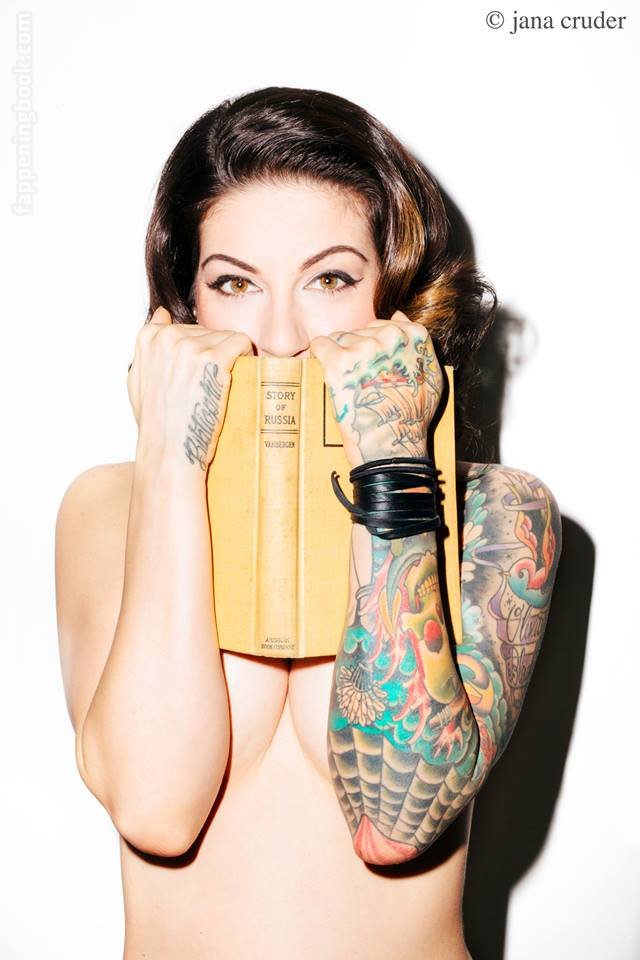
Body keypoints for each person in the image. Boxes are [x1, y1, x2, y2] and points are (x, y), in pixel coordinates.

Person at [54, 86, 562, 960]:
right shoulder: (107, 506)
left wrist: (394, 462)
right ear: (187, 306)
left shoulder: (500, 515)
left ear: (394, 296)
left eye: (331, 279)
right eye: (235, 283)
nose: (284, 334)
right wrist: (170, 460)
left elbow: (396, 823)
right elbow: (156, 807)